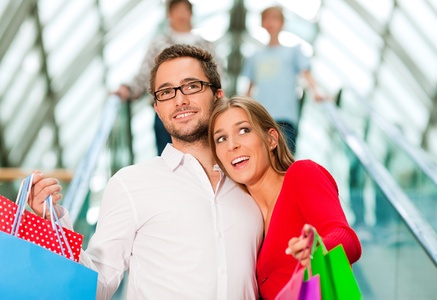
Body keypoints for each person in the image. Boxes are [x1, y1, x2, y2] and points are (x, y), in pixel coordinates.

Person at [30, 45, 264, 299]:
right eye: (166, 92)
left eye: (192, 86)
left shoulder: (251, 187)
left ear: (218, 94)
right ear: (156, 108)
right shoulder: (130, 184)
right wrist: (50, 225)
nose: (179, 100)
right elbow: (96, 285)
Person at [208, 96, 362, 299]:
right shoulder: (245, 217)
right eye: (221, 139)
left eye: (244, 130)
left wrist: (317, 248)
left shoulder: (301, 174)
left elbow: (347, 239)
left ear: (271, 139)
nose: (232, 145)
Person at [114, 0, 217, 155]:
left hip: (200, 111)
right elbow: (145, 74)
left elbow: (218, 75)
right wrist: (127, 89)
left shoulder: (205, 44)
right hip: (167, 113)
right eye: (177, 10)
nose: (181, 14)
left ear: (191, 13)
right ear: (169, 14)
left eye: (184, 10)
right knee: (168, 159)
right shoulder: (159, 44)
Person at [241, 6, 325, 155]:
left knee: (284, 160)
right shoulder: (255, 56)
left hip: (286, 118)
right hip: (261, 118)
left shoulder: (293, 51)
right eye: (267, 19)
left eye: (275, 19)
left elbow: (307, 74)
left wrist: (317, 92)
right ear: (262, 24)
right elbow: (249, 88)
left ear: (282, 23)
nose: (271, 23)